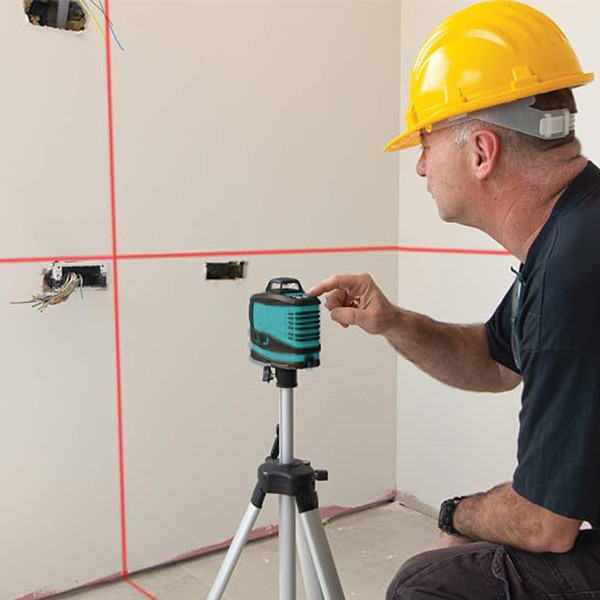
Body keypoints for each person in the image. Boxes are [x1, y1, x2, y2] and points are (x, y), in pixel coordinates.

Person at [308, 1, 600, 598]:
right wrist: (392, 322)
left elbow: (545, 524)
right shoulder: (574, 230)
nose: (419, 168)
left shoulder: (574, 266)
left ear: (481, 152)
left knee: (428, 585)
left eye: (425, 142)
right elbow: (494, 362)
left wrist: (456, 513)